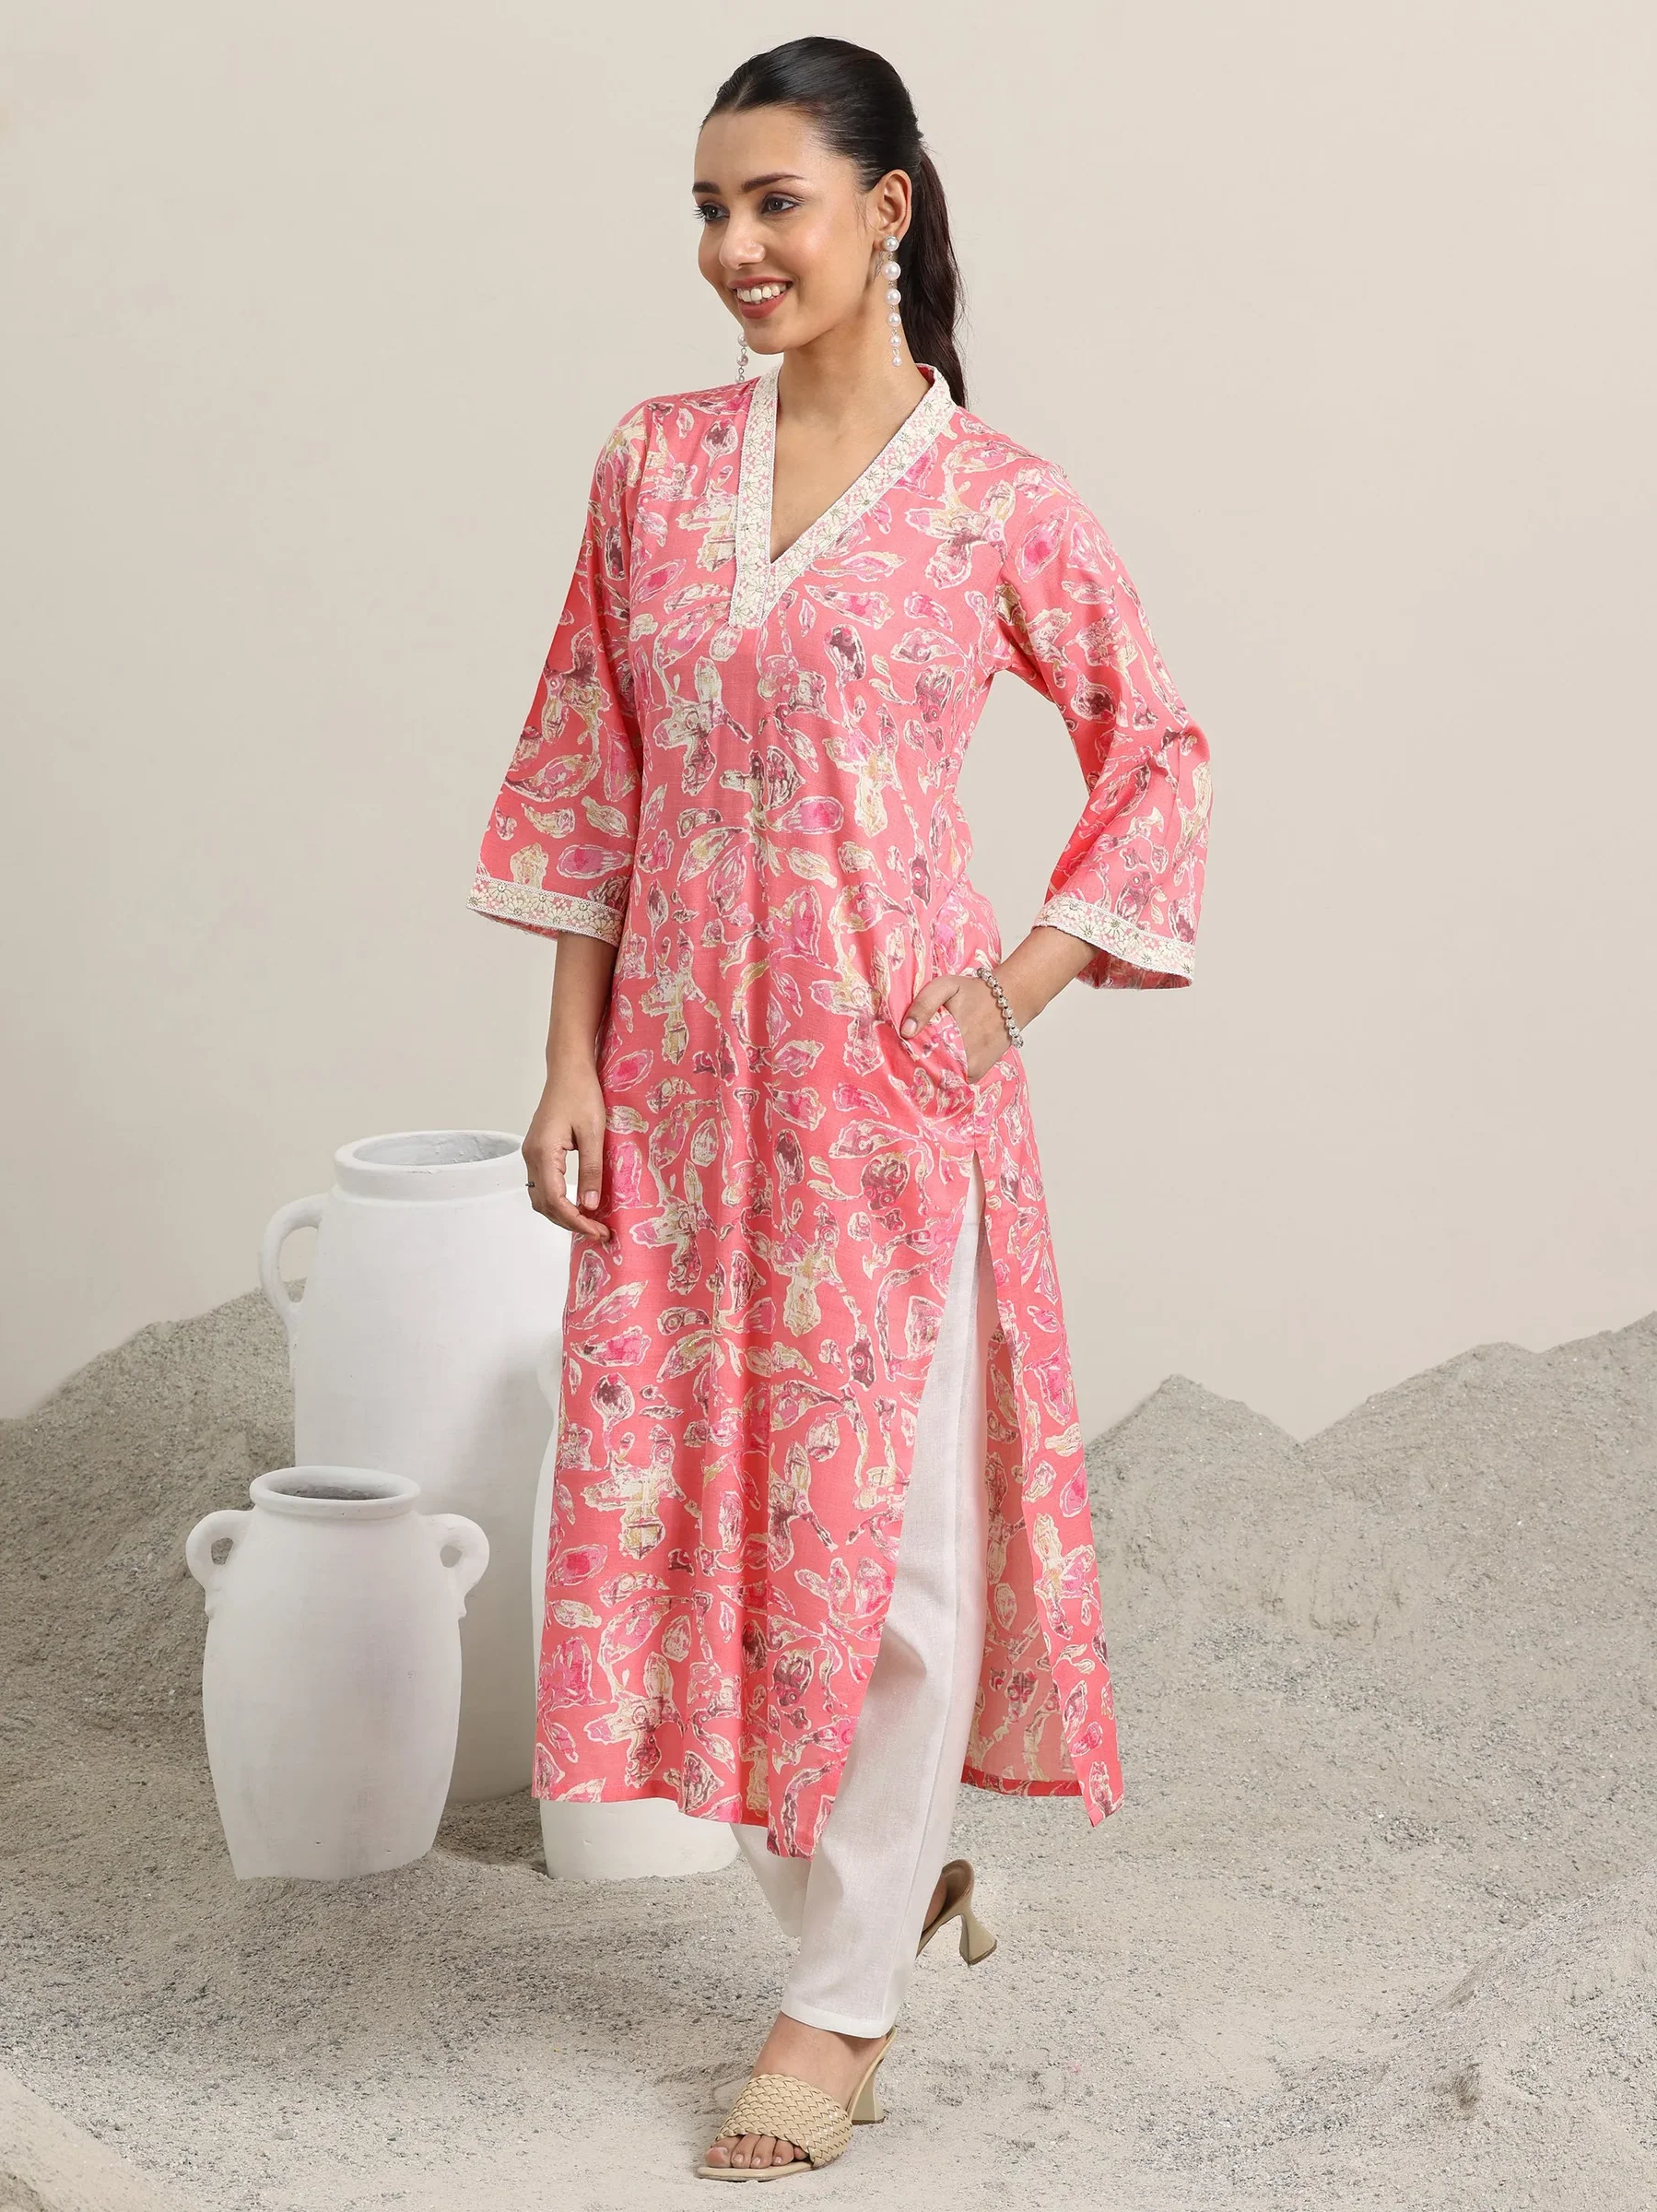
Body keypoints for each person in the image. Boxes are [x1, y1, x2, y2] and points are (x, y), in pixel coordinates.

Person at [467, 34, 1213, 2183]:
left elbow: (1155, 748)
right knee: (687, 1529)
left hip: (888, 1092)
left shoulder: (996, 502)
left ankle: (839, 2006)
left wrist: (1009, 998)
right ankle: (874, 1897)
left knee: (888, 1558)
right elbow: (589, 769)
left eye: (773, 202)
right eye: (708, 209)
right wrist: (568, 1063)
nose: (734, 247)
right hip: (677, 1095)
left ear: (886, 210)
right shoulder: (651, 466)